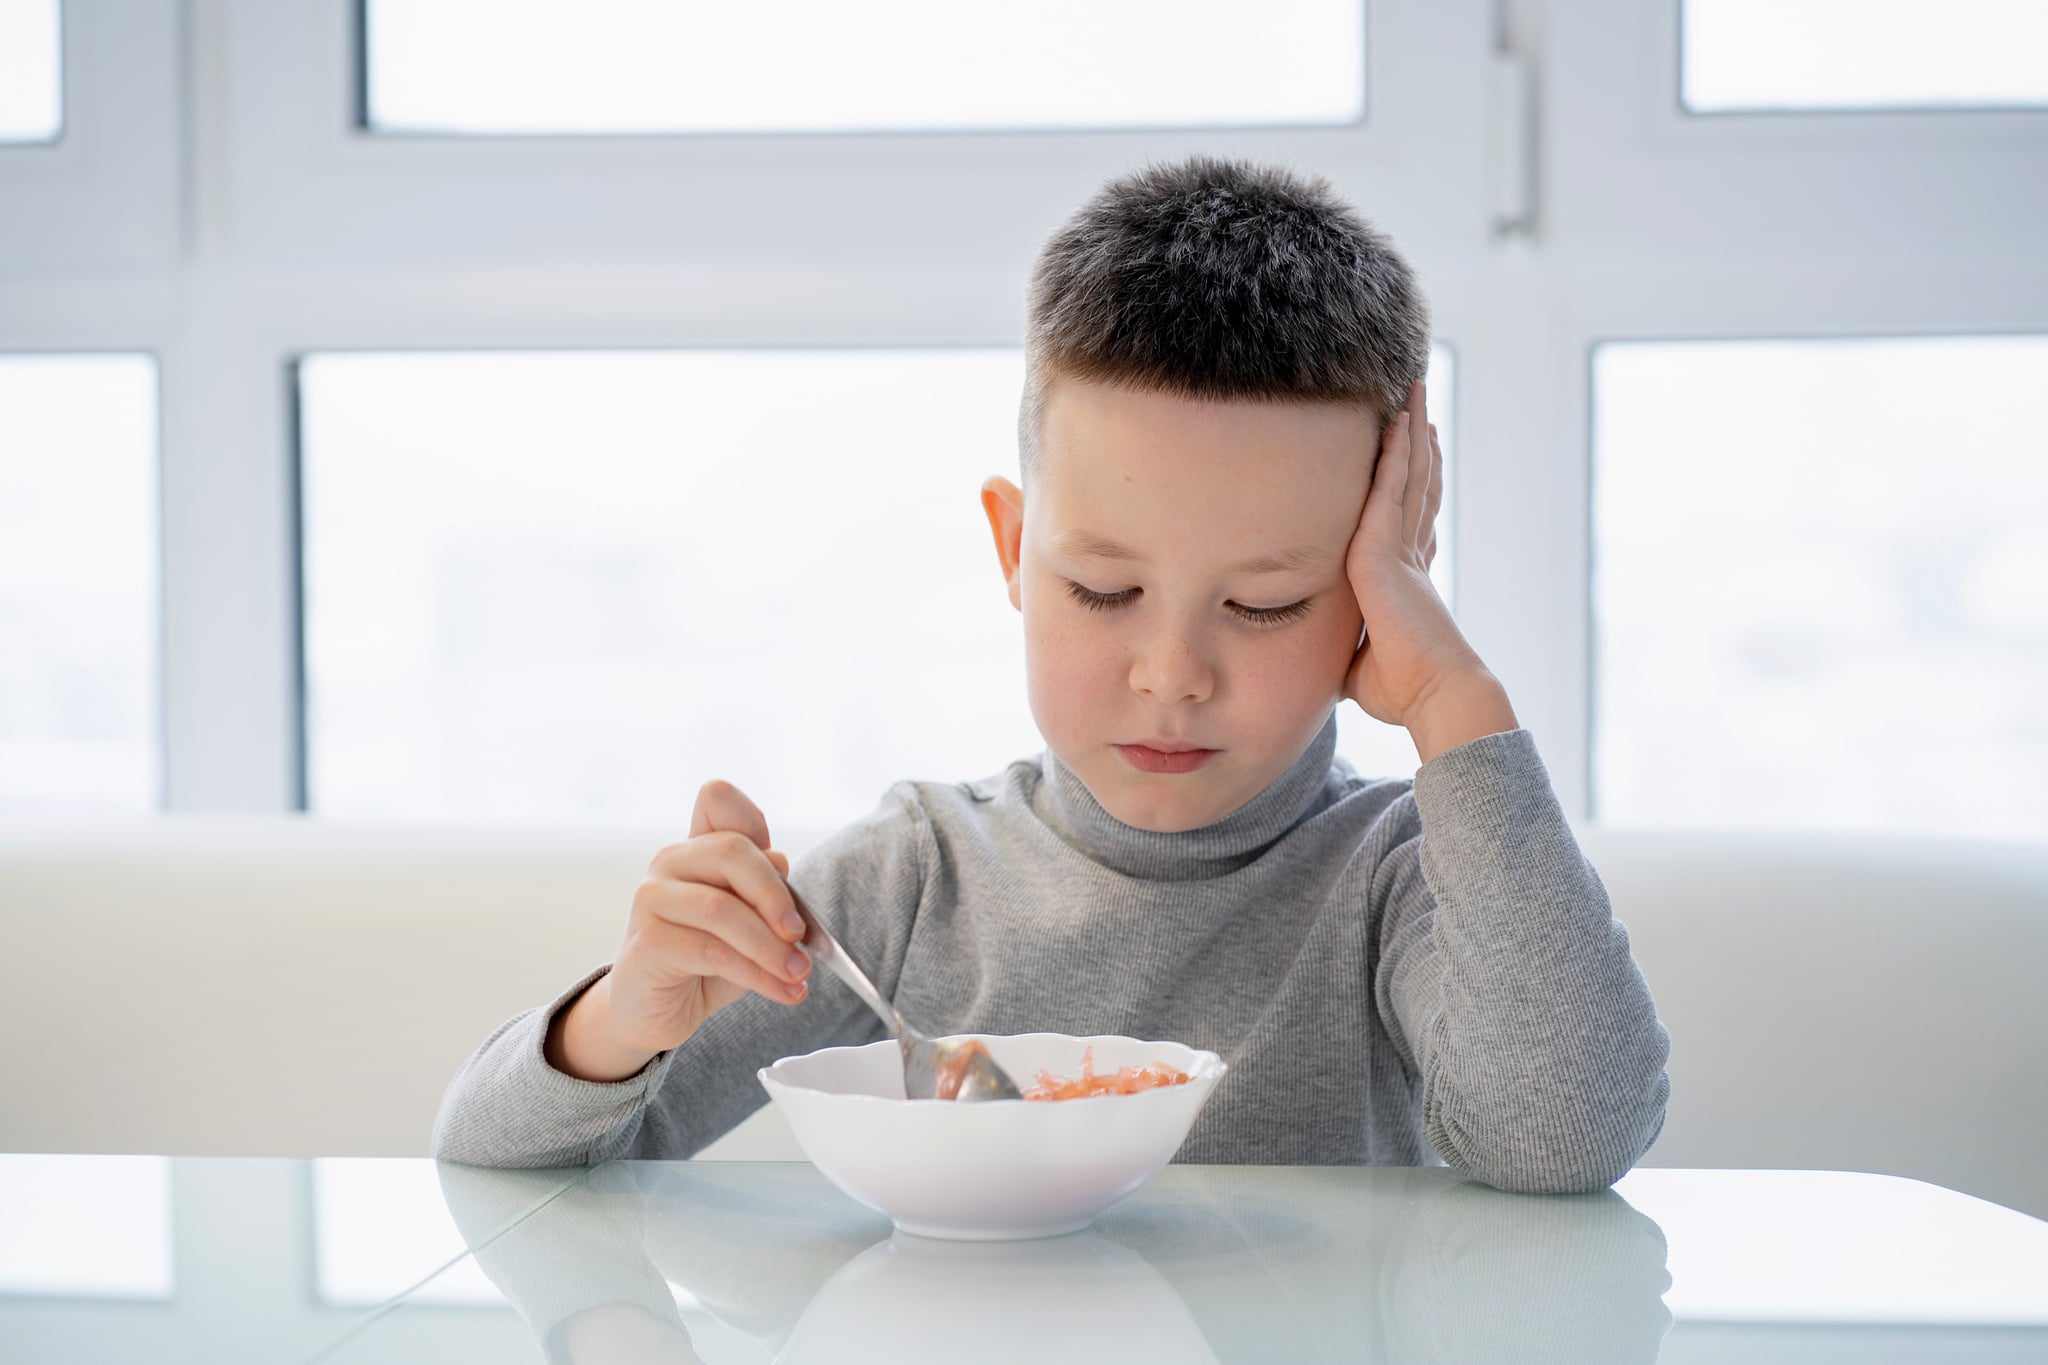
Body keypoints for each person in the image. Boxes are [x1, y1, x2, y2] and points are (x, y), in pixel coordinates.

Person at [431, 154, 1671, 1191]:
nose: (1170, 676)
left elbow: (1561, 1143)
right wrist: (623, 1018)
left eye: (1264, 603)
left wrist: (1454, 704)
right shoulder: (913, 883)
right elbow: (497, 1164)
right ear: (1015, 552)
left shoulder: (1398, 877)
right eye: (1103, 592)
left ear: (1372, 587)